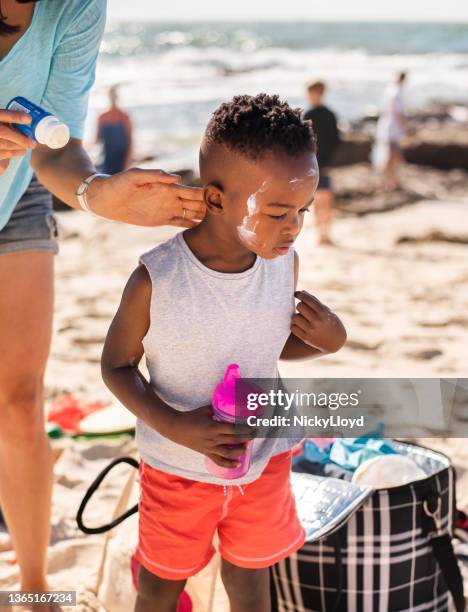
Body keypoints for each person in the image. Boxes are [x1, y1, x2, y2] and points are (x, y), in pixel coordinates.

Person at [101, 93, 347, 612]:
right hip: (177, 468)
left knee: (251, 578)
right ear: (215, 200)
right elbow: (117, 367)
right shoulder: (157, 278)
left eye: (302, 210)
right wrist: (175, 425)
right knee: (162, 584)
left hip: (264, 458)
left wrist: (326, 343)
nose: (294, 227)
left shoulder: (282, 263)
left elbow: (270, 342)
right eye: (278, 212)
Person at [0, 0, 203, 601]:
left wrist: (99, 196)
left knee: (18, 401)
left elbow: (55, 148)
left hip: (17, 199)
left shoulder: (75, 6)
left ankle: (34, 586)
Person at [303, 80, 340, 245]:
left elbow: (302, 142)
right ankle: (324, 234)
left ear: (316, 93)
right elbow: (337, 140)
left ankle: (322, 234)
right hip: (325, 163)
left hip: (313, 164)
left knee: (319, 200)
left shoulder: (309, 115)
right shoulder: (330, 114)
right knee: (325, 199)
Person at [374, 71, 408, 191]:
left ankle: (391, 180)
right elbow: (398, 113)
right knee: (392, 157)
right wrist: (404, 128)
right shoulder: (396, 92)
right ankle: (388, 181)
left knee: (393, 156)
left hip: (388, 128)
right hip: (392, 129)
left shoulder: (390, 90)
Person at [96, 85, 133, 174]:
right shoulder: (102, 117)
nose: (113, 98)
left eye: (114, 96)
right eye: (111, 96)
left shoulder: (124, 117)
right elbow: (97, 140)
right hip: (106, 159)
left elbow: (130, 141)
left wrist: (127, 160)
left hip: (121, 159)